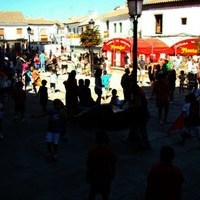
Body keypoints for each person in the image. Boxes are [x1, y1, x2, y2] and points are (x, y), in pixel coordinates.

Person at [86, 130, 117, 200]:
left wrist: (88, 176)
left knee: (92, 193)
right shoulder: (110, 152)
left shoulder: (92, 152)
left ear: (96, 140)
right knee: (105, 195)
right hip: (106, 176)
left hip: (95, 176)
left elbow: (89, 165)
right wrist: (113, 173)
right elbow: (113, 164)